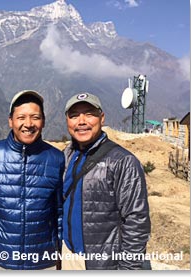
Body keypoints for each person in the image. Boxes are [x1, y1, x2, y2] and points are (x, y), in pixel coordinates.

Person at [0, 90, 65, 270]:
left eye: (35, 117)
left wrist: (59, 250)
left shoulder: (55, 158)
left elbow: (59, 210)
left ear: (44, 121)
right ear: (11, 121)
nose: (28, 124)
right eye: (21, 117)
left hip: (42, 259)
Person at [62, 92, 151, 270]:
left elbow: (136, 220)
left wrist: (128, 268)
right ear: (67, 121)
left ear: (102, 118)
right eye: (74, 115)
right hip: (68, 256)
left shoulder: (123, 161)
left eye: (89, 114)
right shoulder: (67, 155)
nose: (81, 121)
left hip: (103, 264)